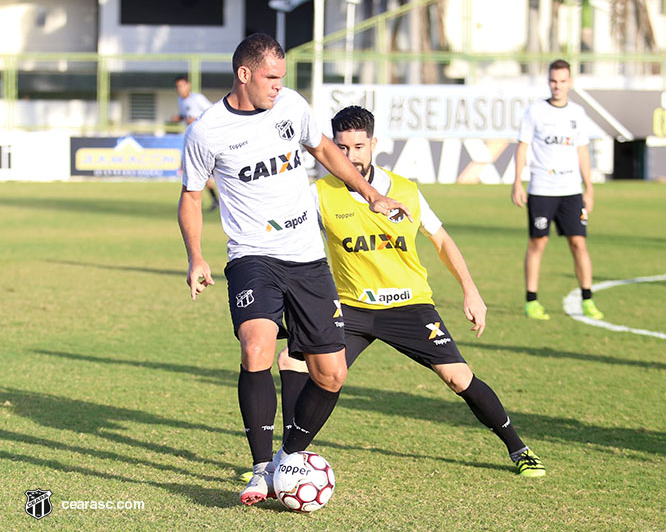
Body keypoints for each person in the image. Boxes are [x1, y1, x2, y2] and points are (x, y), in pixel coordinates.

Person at [178, 34, 411, 506]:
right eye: (270, 77)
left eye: (283, 78)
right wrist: (196, 256)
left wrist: (373, 195)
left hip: (306, 258)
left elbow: (326, 152)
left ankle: (290, 456)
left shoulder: (292, 108)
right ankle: (261, 467)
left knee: (332, 375)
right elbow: (190, 197)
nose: (278, 86)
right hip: (252, 256)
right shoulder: (207, 131)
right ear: (244, 74)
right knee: (257, 345)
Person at [272, 105, 545, 478]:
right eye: (342, 148)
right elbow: (285, 236)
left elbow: (443, 240)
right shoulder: (319, 194)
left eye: (358, 146)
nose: (350, 156)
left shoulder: (406, 191)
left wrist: (471, 291)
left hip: (410, 306)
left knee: (458, 378)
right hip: (350, 309)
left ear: (374, 144)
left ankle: (518, 447)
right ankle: (288, 458)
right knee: (293, 362)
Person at [511, 59, 604, 321]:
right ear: (548, 81)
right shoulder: (535, 112)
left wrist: (589, 188)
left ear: (570, 82)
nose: (557, 86)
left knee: (579, 243)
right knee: (537, 244)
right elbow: (522, 147)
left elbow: (582, 151)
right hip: (541, 189)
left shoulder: (577, 114)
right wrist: (518, 182)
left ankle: (588, 300)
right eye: (553, 81)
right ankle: (532, 301)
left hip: (571, 191)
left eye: (562, 81)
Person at [173, 75, 219, 211]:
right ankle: (215, 200)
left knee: (209, 173)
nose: (180, 89)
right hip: (193, 141)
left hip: (207, 139)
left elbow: (212, 112)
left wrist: (196, 119)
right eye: (178, 87)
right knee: (200, 174)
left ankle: (220, 200)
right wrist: (180, 117)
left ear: (188, 86)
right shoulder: (180, 100)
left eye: (182, 86)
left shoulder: (197, 98)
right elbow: (186, 116)